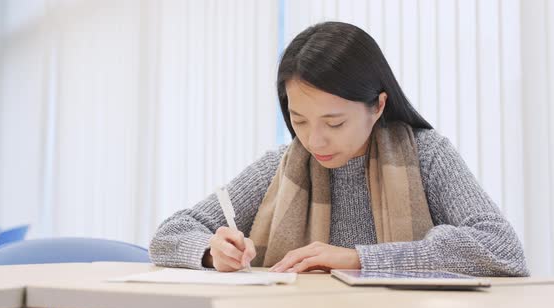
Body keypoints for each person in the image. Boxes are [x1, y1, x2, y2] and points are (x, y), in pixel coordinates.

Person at [149, 21, 529, 276]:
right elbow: (169, 235)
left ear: (378, 106)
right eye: (299, 120)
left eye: (334, 123)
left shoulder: (427, 155)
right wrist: (212, 252)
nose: (314, 140)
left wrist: (361, 260)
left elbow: (502, 248)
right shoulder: (282, 165)